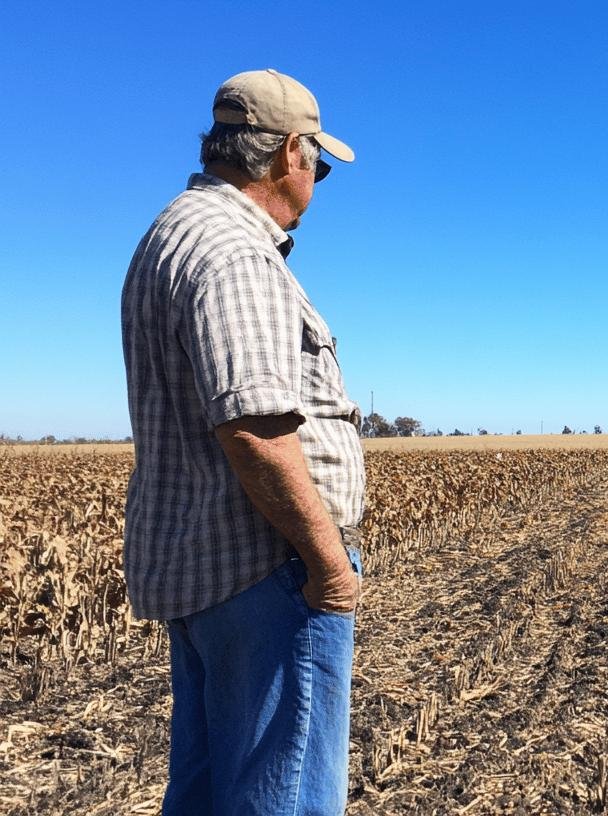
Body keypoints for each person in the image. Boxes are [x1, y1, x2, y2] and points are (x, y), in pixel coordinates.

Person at [120, 69, 366, 815]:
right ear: (290, 151)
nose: (318, 179)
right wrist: (327, 568)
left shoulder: (173, 233)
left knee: (203, 790)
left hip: (206, 571)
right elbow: (254, 428)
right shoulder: (236, 251)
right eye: (318, 163)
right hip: (265, 570)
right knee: (279, 793)